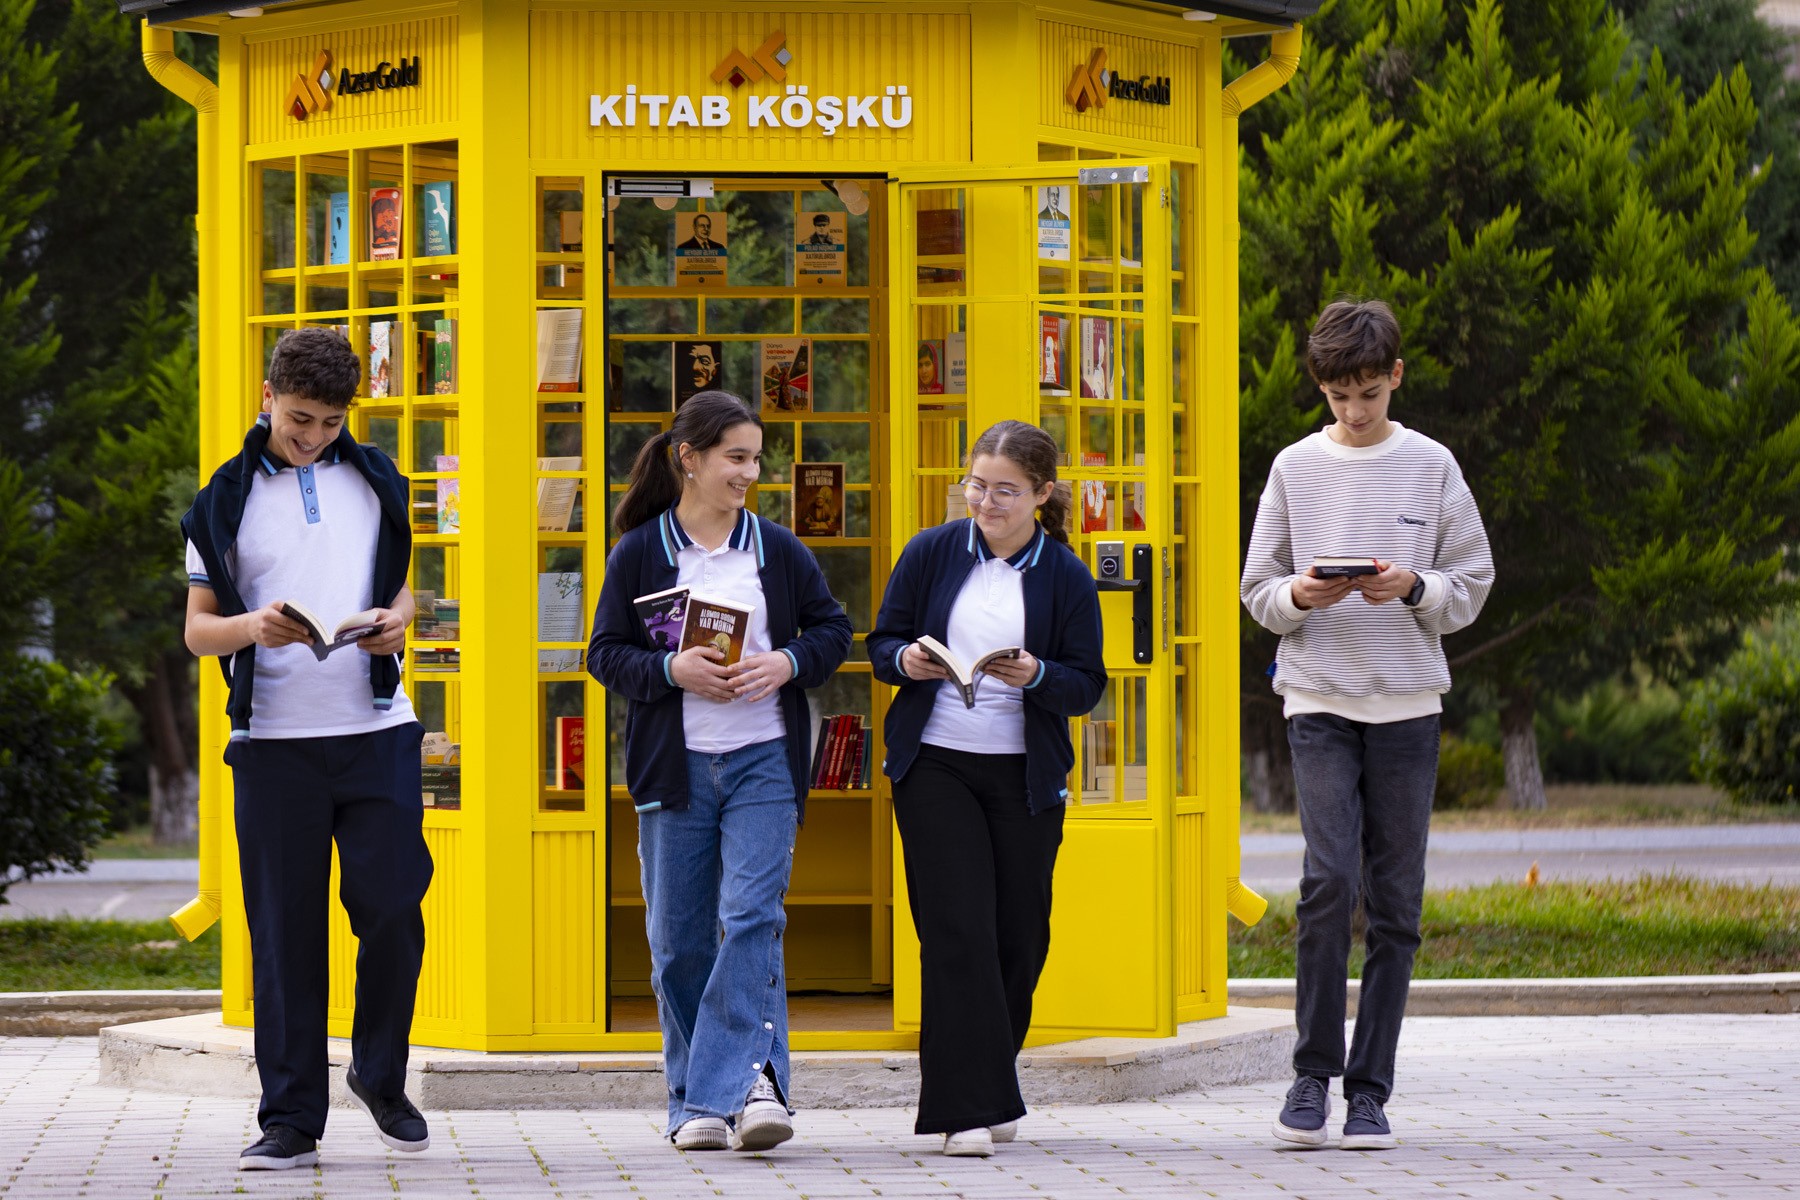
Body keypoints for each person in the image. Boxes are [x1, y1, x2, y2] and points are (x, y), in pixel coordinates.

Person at [1240, 299, 1494, 1152]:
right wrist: (1301, 595)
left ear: (1395, 377)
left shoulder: (1432, 464)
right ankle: (1311, 1075)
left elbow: (1473, 582)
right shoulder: (1293, 466)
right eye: (1338, 397)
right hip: (1318, 698)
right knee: (1327, 884)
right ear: (1321, 387)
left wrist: (1415, 588)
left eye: (1368, 395)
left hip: (1408, 705)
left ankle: (1370, 1092)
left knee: (1395, 902)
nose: (1353, 412)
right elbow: (1258, 589)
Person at [180, 327, 433, 1172]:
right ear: (268, 396)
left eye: (330, 422)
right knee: (286, 931)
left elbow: (401, 589)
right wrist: (254, 626)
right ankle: (290, 1117)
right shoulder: (220, 501)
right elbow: (198, 631)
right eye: (299, 419)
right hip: (274, 744)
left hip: (378, 731)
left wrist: (398, 621)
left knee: (394, 909)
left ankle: (380, 1074)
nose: (313, 436)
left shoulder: (379, 480)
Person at [588, 390, 852, 1154]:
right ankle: (704, 1098)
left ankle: (740, 1091)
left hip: (764, 760)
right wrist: (671, 670)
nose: (749, 473)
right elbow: (604, 654)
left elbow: (833, 630)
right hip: (675, 770)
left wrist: (786, 662)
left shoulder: (777, 549)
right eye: (736, 457)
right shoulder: (640, 552)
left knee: (751, 918)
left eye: (755, 459)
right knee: (677, 944)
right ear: (690, 459)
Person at [868, 419, 1107, 1158]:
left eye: (1006, 490)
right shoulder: (930, 551)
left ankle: (992, 1079)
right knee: (956, 930)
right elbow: (881, 643)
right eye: (977, 486)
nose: (986, 502)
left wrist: (1037, 674)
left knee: (1018, 936)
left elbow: (1086, 684)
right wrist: (906, 660)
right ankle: (963, 1109)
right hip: (935, 763)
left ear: (1041, 494)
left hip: (1023, 775)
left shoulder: (1065, 575)